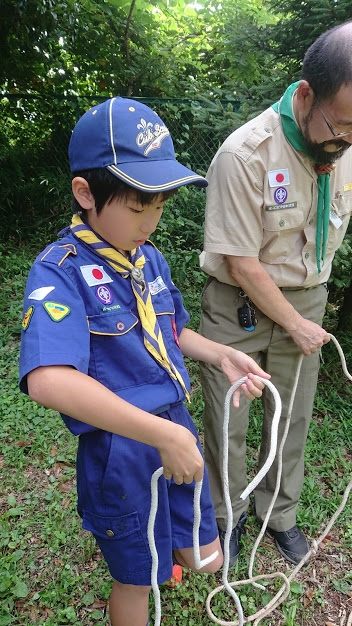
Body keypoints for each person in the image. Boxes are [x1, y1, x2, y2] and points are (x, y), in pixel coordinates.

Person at [19, 96, 270, 626]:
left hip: (173, 428)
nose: (151, 222)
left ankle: (167, 552)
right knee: (137, 580)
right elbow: (47, 380)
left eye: (159, 206)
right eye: (138, 207)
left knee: (206, 558)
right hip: (123, 450)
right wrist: (160, 437)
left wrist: (223, 353)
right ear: (86, 193)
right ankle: (143, 565)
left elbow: (172, 329)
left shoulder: (147, 256)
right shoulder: (60, 270)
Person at [199, 20, 352, 568]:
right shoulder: (245, 154)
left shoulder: (346, 141)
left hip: (305, 302)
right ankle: (228, 517)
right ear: (306, 94)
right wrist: (293, 322)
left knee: (293, 418)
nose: (346, 142)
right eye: (341, 126)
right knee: (229, 418)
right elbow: (241, 262)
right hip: (236, 303)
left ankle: (278, 515)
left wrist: (301, 317)